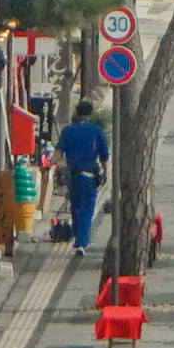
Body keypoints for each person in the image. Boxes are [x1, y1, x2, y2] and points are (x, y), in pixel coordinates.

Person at [57, 102, 111, 246]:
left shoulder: (67, 131)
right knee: (87, 209)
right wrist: (105, 174)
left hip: (72, 175)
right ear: (90, 114)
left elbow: (57, 153)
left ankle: (76, 232)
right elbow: (104, 157)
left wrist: (49, 167)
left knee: (75, 206)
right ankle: (81, 242)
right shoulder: (96, 131)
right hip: (89, 175)